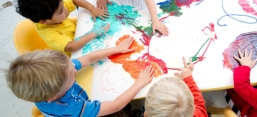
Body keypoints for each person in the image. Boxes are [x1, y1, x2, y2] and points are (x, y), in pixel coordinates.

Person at [5, 37, 154, 117]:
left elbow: (88, 59)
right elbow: (116, 105)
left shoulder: (58, 71)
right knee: (120, 111)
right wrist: (139, 82)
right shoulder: (74, 108)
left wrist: (117, 49)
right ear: (55, 95)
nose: (75, 69)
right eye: (72, 75)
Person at [15, 0, 109, 56]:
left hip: (79, 34)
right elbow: (71, 47)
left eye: (63, 6)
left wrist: (92, 8)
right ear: (44, 21)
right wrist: (94, 33)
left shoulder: (54, 9)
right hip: (73, 54)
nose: (65, 10)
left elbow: (73, 0)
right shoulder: (49, 34)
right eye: (60, 12)